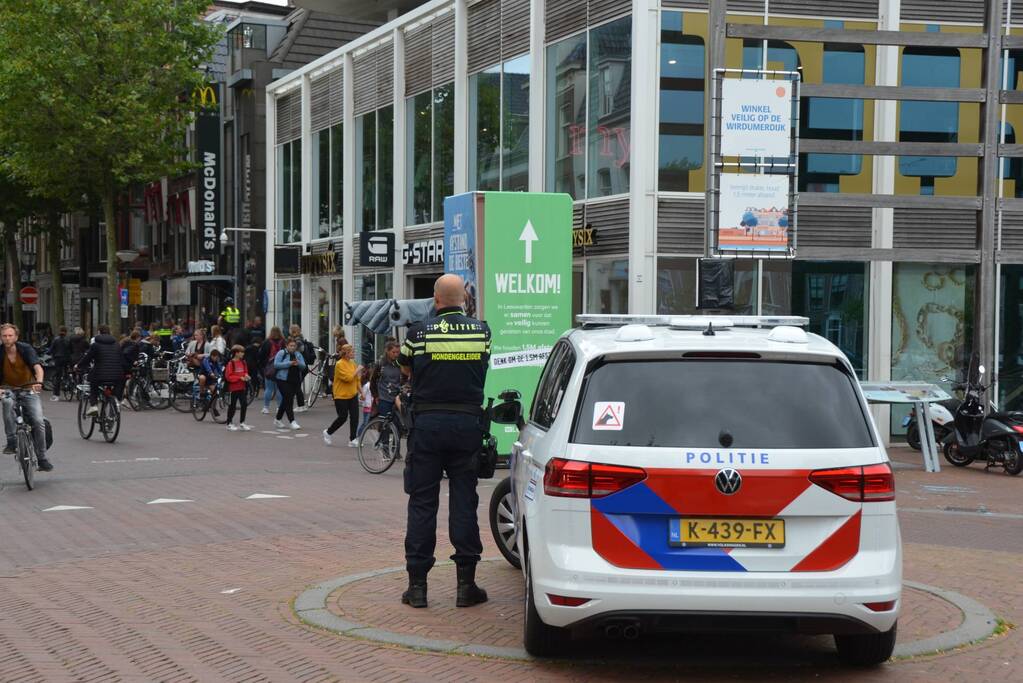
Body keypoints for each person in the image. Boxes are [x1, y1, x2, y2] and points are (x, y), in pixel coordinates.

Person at [398, 274, 491, 609]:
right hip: (467, 425)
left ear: (436, 300)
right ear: (464, 299)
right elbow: (482, 367)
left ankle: (418, 587)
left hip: (427, 425)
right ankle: (466, 586)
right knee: (464, 501)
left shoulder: (417, 335)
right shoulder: (482, 332)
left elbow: (405, 368)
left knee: (423, 503)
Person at [0, 323, 52, 471]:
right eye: (4, 336)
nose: (7, 338)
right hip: (7, 389)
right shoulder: (0, 352)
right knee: (7, 402)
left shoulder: (25, 349)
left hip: (28, 388)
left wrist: (39, 382)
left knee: (38, 421)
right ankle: (11, 441)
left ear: (16, 337)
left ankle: (42, 458)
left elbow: (37, 368)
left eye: (10, 335)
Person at [77, 324, 127, 417]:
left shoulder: (96, 345)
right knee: (116, 389)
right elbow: (122, 360)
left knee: (93, 382)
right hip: (117, 375)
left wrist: (78, 365)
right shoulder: (117, 344)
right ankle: (114, 404)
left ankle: (94, 406)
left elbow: (87, 358)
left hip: (100, 374)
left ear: (99, 333)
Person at [322, 343, 361, 447]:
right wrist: (357, 370)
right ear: (346, 353)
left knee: (355, 417)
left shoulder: (352, 363)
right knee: (343, 417)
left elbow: (357, 379)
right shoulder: (339, 364)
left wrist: (361, 392)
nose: (353, 353)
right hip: (341, 395)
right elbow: (348, 378)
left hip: (352, 394)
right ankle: (328, 432)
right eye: (352, 351)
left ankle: (353, 439)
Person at [272, 337, 305, 430]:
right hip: (282, 380)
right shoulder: (281, 353)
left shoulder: (298, 354)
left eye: (294, 346)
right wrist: (289, 363)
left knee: (286, 400)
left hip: (295, 380)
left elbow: (303, 367)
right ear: (286, 346)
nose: (293, 347)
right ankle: (292, 421)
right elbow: (276, 364)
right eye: (291, 346)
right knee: (289, 399)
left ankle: (278, 419)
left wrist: (298, 363)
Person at [371, 341, 405, 419]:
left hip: (398, 398)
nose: (396, 354)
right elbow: (373, 380)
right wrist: (376, 395)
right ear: (387, 351)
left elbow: (404, 379)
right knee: (385, 424)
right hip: (384, 399)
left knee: (398, 425)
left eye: (398, 352)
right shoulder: (380, 364)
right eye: (393, 352)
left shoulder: (400, 363)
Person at [224, 345, 252, 432]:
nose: (243, 354)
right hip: (233, 388)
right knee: (232, 405)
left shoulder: (243, 362)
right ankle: (229, 423)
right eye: (241, 352)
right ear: (236, 353)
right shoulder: (231, 363)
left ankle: (242, 422)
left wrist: (246, 376)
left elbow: (245, 372)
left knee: (244, 404)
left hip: (242, 387)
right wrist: (239, 378)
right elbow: (228, 376)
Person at [258, 326, 286, 414]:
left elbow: (261, 356)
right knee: (279, 389)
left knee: (269, 388)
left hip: (269, 367)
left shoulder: (266, 342)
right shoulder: (284, 342)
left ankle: (266, 407)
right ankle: (279, 407)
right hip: (281, 367)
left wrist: (264, 366)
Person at [289, 324, 315, 413]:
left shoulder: (297, 341)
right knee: (297, 386)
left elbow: (296, 353)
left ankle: (301, 405)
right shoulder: (301, 339)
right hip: (303, 366)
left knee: (296, 386)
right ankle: (301, 405)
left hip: (299, 366)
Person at [48, 326, 71, 402]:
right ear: (66, 332)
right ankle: (68, 387)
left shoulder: (55, 340)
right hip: (66, 359)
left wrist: (52, 355)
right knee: (67, 373)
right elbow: (72, 350)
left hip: (58, 359)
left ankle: (56, 395)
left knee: (58, 376)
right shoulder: (68, 339)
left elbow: (51, 350)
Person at [357, 364, 374, 437]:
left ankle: (381, 440)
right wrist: (362, 397)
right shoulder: (367, 385)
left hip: (373, 407)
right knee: (365, 423)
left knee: (376, 423)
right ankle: (358, 436)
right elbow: (361, 396)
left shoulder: (374, 385)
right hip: (367, 407)